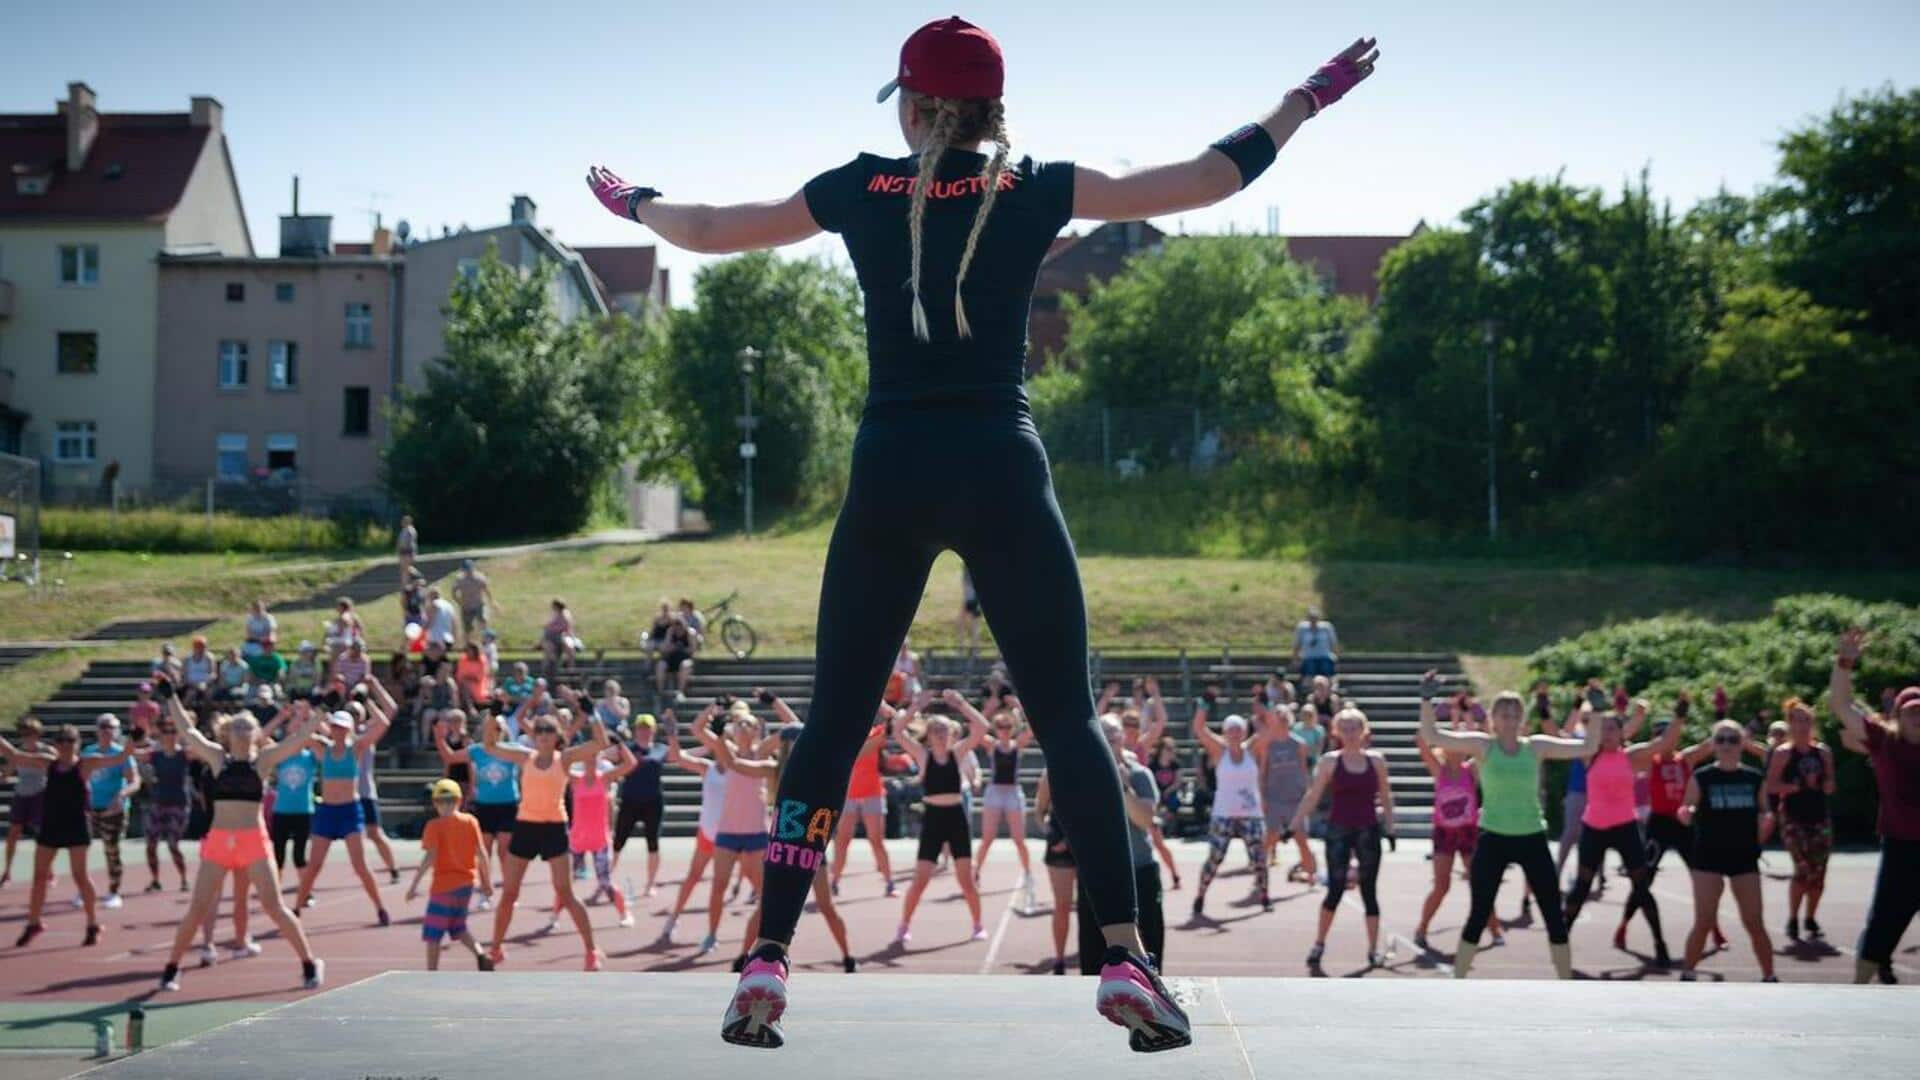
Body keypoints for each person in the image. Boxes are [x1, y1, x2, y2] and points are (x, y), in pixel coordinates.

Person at [590, 16, 1376, 1051]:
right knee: (1069, 720)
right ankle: (1124, 956)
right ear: (997, 113)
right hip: (1002, 467)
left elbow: (704, 227)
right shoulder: (1036, 186)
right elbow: (1210, 178)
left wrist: (630, 200)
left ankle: (769, 959)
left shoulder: (857, 188)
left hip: (891, 473)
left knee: (832, 723)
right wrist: (1308, 97)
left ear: (913, 109)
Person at [1416, 675, 1594, 979]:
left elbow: (1588, 745)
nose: (1510, 719)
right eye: (1504, 714)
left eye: (1515, 714)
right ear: (1494, 719)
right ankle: (1459, 979)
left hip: (1531, 837)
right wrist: (1426, 699)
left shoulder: (1535, 746)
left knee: (1553, 913)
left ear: (1522, 719)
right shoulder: (1482, 746)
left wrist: (1599, 712)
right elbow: (1433, 736)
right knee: (1479, 911)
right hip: (1494, 838)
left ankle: (1566, 981)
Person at [153, 704, 324, 991]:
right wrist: (171, 698)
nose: (243, 730)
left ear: (256, 733)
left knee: (274, 906)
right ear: (227, 733)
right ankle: (171, 968)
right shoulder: (218, 759)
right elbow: (188, 730)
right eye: (238, 726)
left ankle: (309, 963)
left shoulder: (264, 760)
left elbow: (300, 737)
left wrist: (323, 712)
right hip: (219, 842)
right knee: (197, 907)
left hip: (252, 842)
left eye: (248, 726)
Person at [483, 686, 611, 971]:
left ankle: (592, 950)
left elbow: (600, 743)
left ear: (556, 737)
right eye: (538, 731)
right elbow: (490, 745)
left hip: (554, 827)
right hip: (526, 826)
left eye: (547, 731)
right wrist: (493, 715)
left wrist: (591, 713)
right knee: (510, 893)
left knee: (565, 892)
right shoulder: (524, 757)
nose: (542, 735)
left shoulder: (564, 759)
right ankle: (495, 948)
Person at [1562, 698, 1682, 969]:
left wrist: (1680, 716)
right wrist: (1593, 706)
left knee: (1641, 887)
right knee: (1581, 888)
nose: (1606, 734)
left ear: (1622, 733)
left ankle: (1660, 945)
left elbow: (1663, 744)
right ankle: (1561, 942)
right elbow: (1569, 732)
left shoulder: (1631, 758)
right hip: (1594, 828)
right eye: (1602, 729)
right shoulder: (1588, 755)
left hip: (1625, 828)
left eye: (1612, 729)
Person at [1829, 629, 1919, 984]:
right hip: (1901, 848)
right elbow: (1840, 704)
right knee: (1882, 927)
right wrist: (1845, 662)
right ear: (1898, 715)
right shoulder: (1884, 742)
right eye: (1911, 710)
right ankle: (1858, 994)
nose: (1918, 715)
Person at [2, 723, 135, 946]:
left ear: (77, 744)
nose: (65, 745)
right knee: (39, 876)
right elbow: (15, 755)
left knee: (80, 875)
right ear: (55, 745)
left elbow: (119, 758)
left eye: (70, 741)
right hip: (51, 825)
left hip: (76, 825)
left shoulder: (86, 764)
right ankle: (33, 923)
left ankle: (92, 923)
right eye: (61, 741)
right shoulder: (48, 764)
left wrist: (133, 741)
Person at [1291, 707, 1395, 969]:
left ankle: (1372, 950)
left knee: (1369, 891)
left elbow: (1385, 796)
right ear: (1336, 731)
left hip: (1368, 830)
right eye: (1344, 728)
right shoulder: (1330, 761)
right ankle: (1319, 944)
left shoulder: (1376, 761)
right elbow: (1313, 795)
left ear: (1363, 731)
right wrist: (1294, 822)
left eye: (1354, 728)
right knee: (1335, 888)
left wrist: (1391, 828)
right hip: (1339, 830)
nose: (1349, 733)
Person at [1676, 720, 1777, 982]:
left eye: (1732, 739)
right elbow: (1686, 807)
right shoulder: (1702, 776)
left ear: (1742, 743)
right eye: (1720, 739)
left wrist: (1767, 818)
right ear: (1713, 745)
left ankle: (1769, 975)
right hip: (1708, 855)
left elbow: (1765, 809)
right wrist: (1686, 814)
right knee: (1704, 920)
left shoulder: (1753, 778)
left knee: (1754, 921)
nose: (1726, 745)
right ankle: (1688, 973)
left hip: (1744, 856)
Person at [890, 695, 988, 944]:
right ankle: (903, 925)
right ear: (929, 734)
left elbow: (982, 727)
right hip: (933, 819)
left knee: (966, 879)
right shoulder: (923, 755)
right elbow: (898, 731)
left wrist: (961, 704)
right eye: (935, 730)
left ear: (951, 734)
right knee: (921, 879)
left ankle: (978, 925)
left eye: (944, 730)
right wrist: (916, 706)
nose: (940, 734)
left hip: (956, 817)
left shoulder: (958, 753)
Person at [1077, 715, 1165, 974]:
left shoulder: (1139, 775)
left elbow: (1145, 818)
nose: (1110, 745)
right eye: (1103, 739)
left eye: (1114, 739)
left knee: (1148, 950)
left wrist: (1123, 786)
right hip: (1096, 875)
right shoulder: (1084, 777)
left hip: (1140, 871)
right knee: (1093, 958)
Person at [1412, 700, 1501, 950]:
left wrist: (1478, 717)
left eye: (1462, 744)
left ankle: (1494, 928)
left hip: (1468, 832)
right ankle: (1422, 928)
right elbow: (1421, 740)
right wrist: (1431, 710)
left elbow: (1486, 744)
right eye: (1453, 743)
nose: (1458, 747)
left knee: (1479, 882)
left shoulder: (1471, 770)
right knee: (1442, 886)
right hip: (1444, 833)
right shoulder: (1438, 770)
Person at [290, 705, 392, 923]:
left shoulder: (355, 749)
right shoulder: (322, 749)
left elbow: (383, 723)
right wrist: (317, 712)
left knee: (360, 865)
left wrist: (369, 703)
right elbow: (299, 733)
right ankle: (297, 908)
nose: (339, 731)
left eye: (343, 727)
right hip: (327, 811)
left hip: (349, 811)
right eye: (335, 726)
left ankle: (380, 908)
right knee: (314, 865)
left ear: (349, 729)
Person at [691, 702, 777, 956]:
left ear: (756, 730)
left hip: (755, 834)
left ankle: (764, 938)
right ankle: (711, 935)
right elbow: (697, 729)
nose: (742, 727)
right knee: (719, 886)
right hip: (728, 832)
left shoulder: (762, 754)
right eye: (739, 724)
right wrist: (713, 710)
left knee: (764, 892)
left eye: (748, 724)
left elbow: (789, 732)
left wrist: (773, 702)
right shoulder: (725, 750)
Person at [1189, 691, 1272, 916]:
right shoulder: (1219, 750)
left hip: (1251, 813)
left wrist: (1265, 707)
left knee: (1259, 858)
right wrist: (1204, 704)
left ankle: (1264, 895)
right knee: (1214, 858)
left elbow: (1269, 730)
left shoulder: (1252, 749)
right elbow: (1199, 729)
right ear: (1225, 732)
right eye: (1231, 730)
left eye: (1239, 730)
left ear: (1244, 732)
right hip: (1223, 813)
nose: (1235, 734)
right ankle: (1200, 894)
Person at [547, 739, 636, 929]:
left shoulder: (604, 778)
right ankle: (554, 916)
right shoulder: (575, 779)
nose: (591, 760)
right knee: (566, 882)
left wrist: (619, 744)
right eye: (588, 756)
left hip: (599, 839)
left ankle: (625, 913)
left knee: (605, 882)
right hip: (577, 838)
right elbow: (559, 764)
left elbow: (630, 764)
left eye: (594, 756)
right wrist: (572, 749)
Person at [407, 779, 495, 971]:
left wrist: (414, 886)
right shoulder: (470, 821)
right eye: (442, 801)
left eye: (448, 801)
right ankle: (480, 954)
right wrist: (487, 883)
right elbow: (482, 853)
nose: (445, 805)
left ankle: (432, 973)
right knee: (458, 926)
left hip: (443, 887)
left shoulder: (434, 826)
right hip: (466, 884)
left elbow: (430, 856)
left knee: (433, 933)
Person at [1768, 697, 1835, 943]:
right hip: (1794, 818)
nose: (1803, 725)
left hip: (1820, 817)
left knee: (1819, 874)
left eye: (1807, 720)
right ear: (1790, 725)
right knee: (1802, 870)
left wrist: (1825, 784)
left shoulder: (1823, 752)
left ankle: (1811, 917)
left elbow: (1830, 785)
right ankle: (1793, 918)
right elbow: (1771, 785)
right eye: (1797, 721)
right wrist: (1793, 787)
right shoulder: (1783, 754)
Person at [438, 711, 520, 904]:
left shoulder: (512, 750)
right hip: (484, 806)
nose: (494, 732)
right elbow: (450, 758)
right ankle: (485, 892)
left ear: (503, 731)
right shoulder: (476, 750)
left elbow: (536, 757)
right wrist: (439, 737)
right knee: (484, 851)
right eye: (490, 728)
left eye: (498, 729)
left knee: (504, 851)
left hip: (508, 805)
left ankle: (510, 893)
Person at [829, 706, 898, 898]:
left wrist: (880, 703)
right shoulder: (843, 735)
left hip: (872, 793)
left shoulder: (876, 733)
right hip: (849, 793)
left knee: (876, 840)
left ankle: (889, 882)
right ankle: (834, 881)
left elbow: (894, 720)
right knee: (842, 840)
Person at [970, 695, 1034, 893]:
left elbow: (1032, 729)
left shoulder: (1017, 745)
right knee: (987, 838)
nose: (1004, 731)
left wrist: (1020, 707)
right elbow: (975, 731)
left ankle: (1027, 873)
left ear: (1012, 729)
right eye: (1000, 727)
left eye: (1007, 727)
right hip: (995, 792)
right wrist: (988, 710)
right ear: (996, 729)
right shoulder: (992, 745)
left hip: (1012, 792)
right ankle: (976, 872)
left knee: (1019, 839)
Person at [81, 713, 139, 909]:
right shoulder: (88, 752)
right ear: (97, 730)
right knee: (80, 849)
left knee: (111, 850)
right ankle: (84, 890)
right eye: (103, 727)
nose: (106, 731)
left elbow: (135, 781)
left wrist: (122, 795)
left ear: (116, 731)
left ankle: (114, 891)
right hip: (90, 808)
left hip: (113, 810)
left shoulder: (121, 754)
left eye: (110, 727)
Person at [612, 713, 670, 895]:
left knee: (653, 843)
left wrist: (673, 734)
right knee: (617, 843)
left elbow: (682, 755)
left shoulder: (661, 749)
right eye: (640, 727)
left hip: (653, 802)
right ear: (635, 730)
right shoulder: (627, 748)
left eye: (647, 728)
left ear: (653, 730)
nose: (644, 731)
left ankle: (650, 884)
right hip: (629, 800)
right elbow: (606, 755)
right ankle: (605, 881)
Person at [1259, 702, 1314, 886]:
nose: (1281, 721)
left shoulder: (1299, 744)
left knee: (1301, 840)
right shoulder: (1268, 745)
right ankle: (1260, 875)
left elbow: (1304, 772)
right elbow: (1263, 772)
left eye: (1284, 717)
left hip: (1295, 799)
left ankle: (1311, 874)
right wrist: (1262, 797)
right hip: (1275, 798)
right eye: (1278, 717)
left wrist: (1308, 796)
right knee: (1269, 838)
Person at [137, 717, 194, 893]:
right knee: (151, 845)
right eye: (165, 731)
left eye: (173, 731)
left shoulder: (184, 754)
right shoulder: (155, 755)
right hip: (158, 802)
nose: (169, 735)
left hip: (178, 804)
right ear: (160, 734)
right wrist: (137, 737)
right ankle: (155, 880)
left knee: (172, 844)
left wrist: (187, 731)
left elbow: (202, 751)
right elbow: (132, 754)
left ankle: (184, 879)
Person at [265, 710, 318, 887]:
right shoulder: (281, 756)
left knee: (299, 857)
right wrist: (281, 717)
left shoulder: (311, 756)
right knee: (278, 856)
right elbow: (261, 737)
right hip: (281, 812)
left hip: (303, 812)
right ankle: (275, 893)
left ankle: (305, 892)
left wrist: (310, 715)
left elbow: (326, 739)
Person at [1033, 769, 1078, 975]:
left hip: (1090, 842)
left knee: (1094, 906)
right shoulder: (1050, 772)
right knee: (1062, 904)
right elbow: (1040, 812)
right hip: (1059, 845)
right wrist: (1051, 835)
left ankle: (1098, 954)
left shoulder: (1094, 762)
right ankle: (1059, 959)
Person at [2, 718, 50, 888]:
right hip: (21, 795)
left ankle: (48, 872)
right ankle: (7, 871)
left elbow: (52, 765)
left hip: (40, 794)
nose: (26, 737)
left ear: (37, 734)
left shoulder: (46, 751)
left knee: (41, 835)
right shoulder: (18, 753)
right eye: (23, 734)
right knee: (13, 833)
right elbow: (7, 773)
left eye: (30, 733)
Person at [452, 560, 493, 645]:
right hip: (466, 606)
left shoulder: (480, 578)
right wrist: (460, 602)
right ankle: (468, 645)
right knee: (467, 628)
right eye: (466, 570)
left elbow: (487, 590)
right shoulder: (460, 579)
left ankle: (486, 643)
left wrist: (491, 601)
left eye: (470, 569)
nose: (468, 572)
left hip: (479, 605)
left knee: (483, 624)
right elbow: (453, 592)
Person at [1291, 607, 1339, 680]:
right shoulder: (1302, 628)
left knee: (1327, 668)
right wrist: (1295, 659)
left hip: (1324, 656)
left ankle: (1328, 688)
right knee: (1310, 668)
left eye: (1315, 617)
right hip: (1308, 657)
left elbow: (1333, 644)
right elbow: (1296, 645)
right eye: (1311, 617)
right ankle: (1309, 688)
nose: (1313, 620)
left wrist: (1336, 657)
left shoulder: (1327, 627)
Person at [543, 598, 579, 676]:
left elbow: (566, 627)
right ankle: (548, 668)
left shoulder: (565, 614)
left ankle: (570, 668)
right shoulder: (555, 614)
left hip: (563, 636)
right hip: (553, 637)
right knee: (549, 649)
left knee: (569, 647)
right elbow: (548, 626)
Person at [395, 514, 418, 585]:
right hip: (404, 552)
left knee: (407, 569)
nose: (402, 522)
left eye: (403, 521)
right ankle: (405, 584)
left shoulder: (409, 530)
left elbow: (408, 542)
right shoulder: (404, 530)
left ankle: (408, 583)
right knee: (404, 570)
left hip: (407, 553)